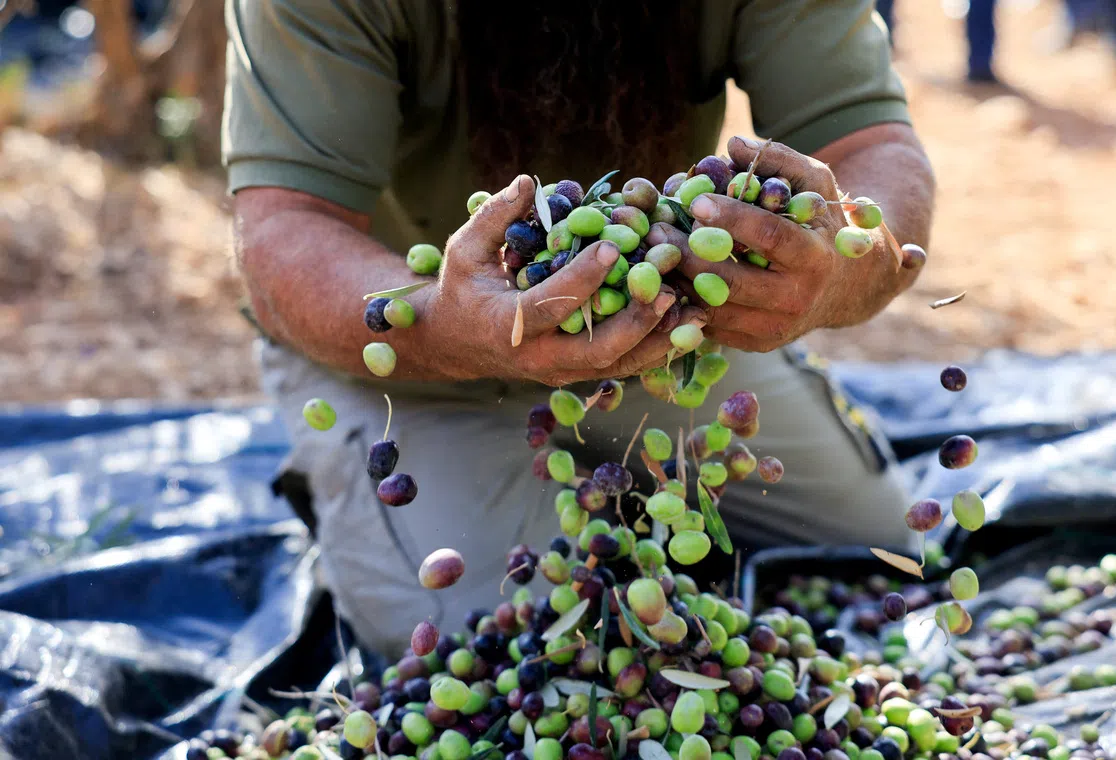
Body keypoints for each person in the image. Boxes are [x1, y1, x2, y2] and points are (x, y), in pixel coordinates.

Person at [223, 0, 936, 658]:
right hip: (403, 354)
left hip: (659, 330)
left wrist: (843, 271)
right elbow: (287, 228)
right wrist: (445, 328)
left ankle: (609, 502)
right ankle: (356, 492)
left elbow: (874, 147)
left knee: (875, 551)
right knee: (525, 647)